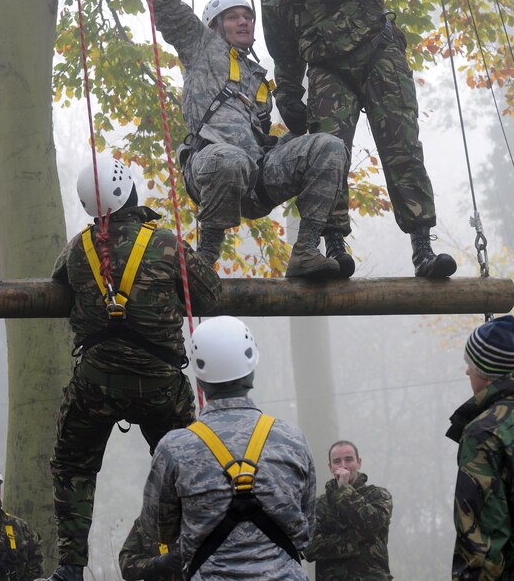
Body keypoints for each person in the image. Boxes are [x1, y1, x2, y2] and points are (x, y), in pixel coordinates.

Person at [240, 0, 457, 279]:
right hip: (327, 67)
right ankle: (335, 247)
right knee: (329, 151)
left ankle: (422, 245)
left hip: (377, 51)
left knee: (402, 147)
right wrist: (288, 93)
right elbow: (285, 51)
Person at [42, 153, 222, 581]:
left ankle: (70, 567)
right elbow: (210, 295)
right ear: (130, 190)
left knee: (73, 465)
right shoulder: (165, 244)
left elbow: (58, 281)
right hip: (159, 386)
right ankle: (194, 552)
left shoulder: (78, 249)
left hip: (96, 384)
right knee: (188, 465)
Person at [151, 0, 348, 280]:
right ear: (214, 25)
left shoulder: (258, 79)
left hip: (255, 176)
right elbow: (162, 0)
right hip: (209, 165)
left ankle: (307, 251)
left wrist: (299, 133)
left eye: (248, 16)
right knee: (230, 159)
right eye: (232, 17)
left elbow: (260, 142)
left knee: (329, 147)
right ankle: (205, 260)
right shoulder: (200, 46)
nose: (243, 21)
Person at [139, 314, 316, 579]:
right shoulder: (292, 439)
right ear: (251, 370)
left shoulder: (175, 448)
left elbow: (158, 530)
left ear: (199, 378)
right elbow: (308, 528)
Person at [446, 314, 514, 579]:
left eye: (470, 364)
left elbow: (482, 543)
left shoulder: (484, 433)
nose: (466, 371)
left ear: (488, 373)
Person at [304, 440, 392, 580]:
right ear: (330, 467)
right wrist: (355, 539)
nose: (343, 465)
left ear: (359, 462)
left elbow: (371, 523)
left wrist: (344, 489)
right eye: (337, 461)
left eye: (349, 459)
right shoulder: (319, 504)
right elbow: (310, 548)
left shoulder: (378, 495)